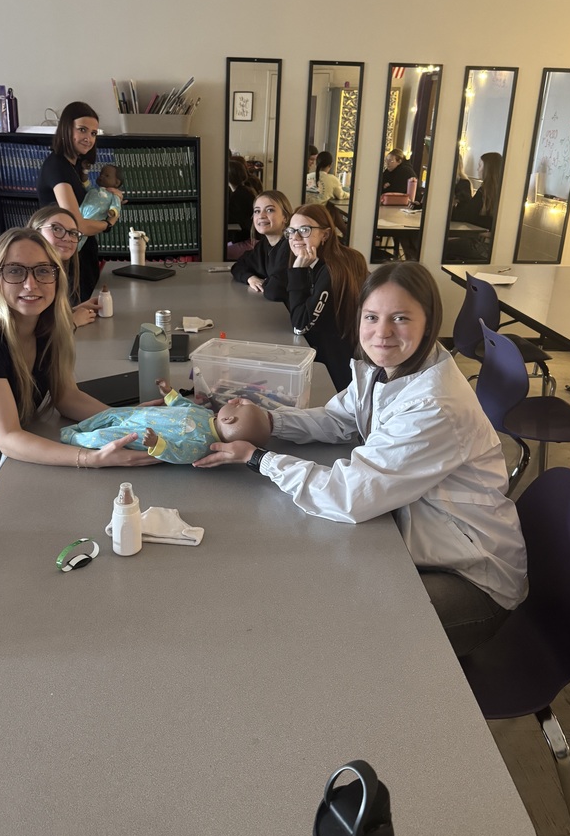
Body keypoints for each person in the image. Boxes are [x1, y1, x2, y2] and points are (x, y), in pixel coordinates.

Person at [195, 262, 528, 656]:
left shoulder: (435, 406)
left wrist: (258, 459)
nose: (382, 332)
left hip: (471, 576)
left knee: (343, 628)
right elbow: (340, 419)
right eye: (371, 317)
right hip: (418, 535)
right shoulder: (384, 368)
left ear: (429, 322)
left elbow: (350, 495)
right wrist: (271, 422)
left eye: (400, 318)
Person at [0, 227, 156, 544]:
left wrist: (127, 420)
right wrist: (90, 458)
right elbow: (9, 438)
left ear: (56, 276)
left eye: (42, 271)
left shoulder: (48, 324)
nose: (30, 284)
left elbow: (67, 398)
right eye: (15, 271)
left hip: (3, 467)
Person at [61, 378, 272, 464]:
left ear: (228, 418)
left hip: (136, 435)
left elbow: (177, 454)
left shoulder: (202, 445)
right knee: (108, 415)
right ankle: (80, 425)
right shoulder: (207, 415)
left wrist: (156, 444)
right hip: (138, 415)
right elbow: (183, 405)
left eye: (238, 404)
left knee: (103, 437)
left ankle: (75, 437)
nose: (234, 400)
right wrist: (169, 393)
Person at [274, 203, 368, 391]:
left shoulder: (331, 270)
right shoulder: (321, 261)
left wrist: (297, 272)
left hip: (336, 374)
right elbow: (273, 289)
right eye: (291, 231)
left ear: (325, 234)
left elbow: (300, 325)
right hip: (340, 361)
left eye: (305, 230)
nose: (296, 237)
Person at [37, 102, 117, 301]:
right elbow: (77, 224)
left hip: (81, 254)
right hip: (65, 255)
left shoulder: (75, 165)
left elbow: (87, 204)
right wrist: (107, 224)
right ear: (66, 128)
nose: (88, 139)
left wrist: (109, 195)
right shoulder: (57, 166)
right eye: (82, 130)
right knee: (77, 319)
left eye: (93, 133)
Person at [27, 205, 100, 328]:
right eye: (56, 229)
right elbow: (31, 334)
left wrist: (73, 310)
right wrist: (71, 322)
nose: (67, 238)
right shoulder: (28, 277)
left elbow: (45, 318)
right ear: (36, 232)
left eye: (73, 233)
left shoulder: (56, 271)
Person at [230, 190, 292, 300]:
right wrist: (250, 278)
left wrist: (266, 283)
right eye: (257, 211)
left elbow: (276, 291)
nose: (261, 216)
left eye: (269, 210)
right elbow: (238, 266)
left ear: (285, 217)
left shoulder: (291, 246)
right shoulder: (264, 245)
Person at [444, 152, 502, 262]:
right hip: (490, 246)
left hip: (482, 247)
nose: (477, 169)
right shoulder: (499, 190)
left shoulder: (484, 191)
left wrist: (452, 206)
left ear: (488, 169)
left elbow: (467, 215)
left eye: (480, 165)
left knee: (441, 246)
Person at [80, 163, 124, 235]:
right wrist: (85, 171)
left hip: (93, 220)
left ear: (116, 183)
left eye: (107, 176)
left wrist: (112, 212)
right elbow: (85, 183)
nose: (102, 176)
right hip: (80, 214)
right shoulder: (93, 190)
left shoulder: (113, 195)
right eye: (101, 174)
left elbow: (116, 205)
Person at [227, 158, 258, 243]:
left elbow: (229, 218)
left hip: (246, 238)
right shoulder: (247, 190)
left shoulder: (238, 196)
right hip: (248, 234)